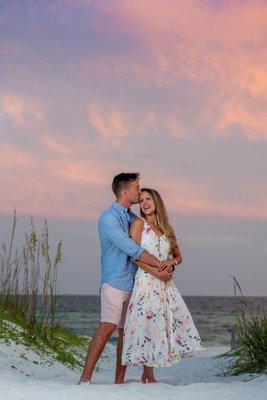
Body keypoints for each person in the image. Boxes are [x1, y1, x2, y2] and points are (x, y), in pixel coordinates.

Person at [78, 173, 172, 384]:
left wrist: (170, 260)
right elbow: (132, 248)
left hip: (134, 282)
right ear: (125, 191)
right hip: (114, 281)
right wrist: (159, 265)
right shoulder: (108, 218)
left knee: (125, 333)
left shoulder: (132, 218)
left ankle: (119, 381)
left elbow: (148, 238)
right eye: (137, 188)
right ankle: (85, 378)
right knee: (107, 326)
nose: (140, 192)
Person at [122, 188, 204, 383]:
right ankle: (149, 374)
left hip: (166, 285)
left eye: (148, 198)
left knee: (163, 323)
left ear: (157, 201)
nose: (144, 203)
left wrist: (171, 263)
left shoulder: (166, 228)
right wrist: (157, 272)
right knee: (148, 324)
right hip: (147, 280)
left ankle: (147, 373)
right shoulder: (138, 224)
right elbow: (133, 256)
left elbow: (178, 256)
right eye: (141, 200)